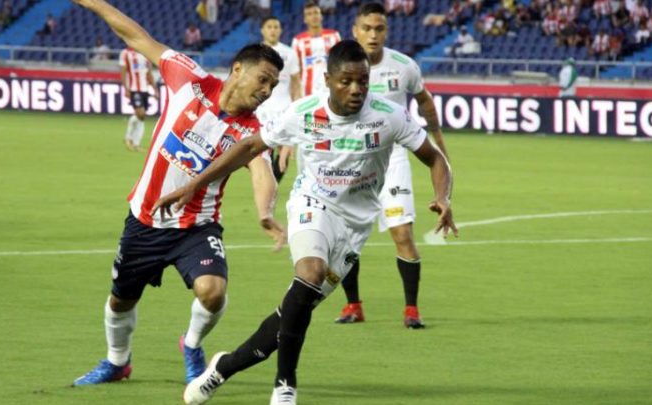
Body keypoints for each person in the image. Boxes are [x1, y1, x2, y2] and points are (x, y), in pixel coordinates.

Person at [155, 40, 456, 405]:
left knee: (293, 312)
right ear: (328, 80)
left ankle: (223, 367)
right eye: (346, 81)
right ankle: (285, 385)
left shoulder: (389, 116)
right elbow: (250, 147)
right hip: (312, 205)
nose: (356, 89)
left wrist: (443, 197)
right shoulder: (303, 112)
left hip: (354, 227)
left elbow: (435, 159)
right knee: (310, 274)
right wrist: (196, 184)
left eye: (363, 81)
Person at [68, 0, 286, 387]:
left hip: (196, 227)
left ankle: (192, 343)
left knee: (212, 292)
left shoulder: (252, 130)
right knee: (121, 299)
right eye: (264, 80)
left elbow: (262, 172)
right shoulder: (189, 79)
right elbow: (136, 36)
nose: (267, 91)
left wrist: (265, 211)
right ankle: (117, 362)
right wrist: (96, 3)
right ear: (238, 69)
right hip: (145, 219)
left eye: (273, 86)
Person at [332, 1, 449, 328]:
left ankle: (412, 311)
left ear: (387, 31)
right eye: (366, 28)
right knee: (346, 238)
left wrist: (439, 140)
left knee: (402, 233)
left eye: (379, 28)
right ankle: (353, 306)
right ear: (355, 31)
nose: (373, 35)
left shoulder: (404, 66)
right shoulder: (341, 66)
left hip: (393, 157)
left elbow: (424, 100)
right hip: (353, 158)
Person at [257, 16, 301, 182]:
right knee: (264, 151)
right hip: (262, 109)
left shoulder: (289, 53)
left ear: (280, 30)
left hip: (284, 108)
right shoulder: (256, 52)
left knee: (285, 152)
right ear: (262, 30)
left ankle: (274, 183)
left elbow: (296, 83)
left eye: (276, 27)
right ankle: (268, 185)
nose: (273, 30)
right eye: (269, 27)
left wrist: (297, 105)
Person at [292, 1, 341, 97]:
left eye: (316, 13)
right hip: (307, 92)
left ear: (321, 16)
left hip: (330, 89)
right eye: (309, 14)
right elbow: (296, 70)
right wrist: (296, 94)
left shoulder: (334, 36)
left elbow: (340, 63)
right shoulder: (298, 40)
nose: (313, 16)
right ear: (305, 19)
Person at [118, 47, 158, 151]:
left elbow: (149, 74)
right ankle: (129, 138)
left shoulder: (146, 54)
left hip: (145, 89)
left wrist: (155, 90)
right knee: (141, 113)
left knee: (141, 116)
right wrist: (126, 88)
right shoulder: (126, 53)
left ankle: (135, 143)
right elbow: (123, 71)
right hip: (134, 89)